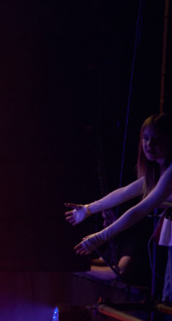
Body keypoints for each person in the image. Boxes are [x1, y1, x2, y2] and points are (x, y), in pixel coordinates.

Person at [70, 113, 169, 290]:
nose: (149, 144)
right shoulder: (156, 172)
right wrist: (88, 209)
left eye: (157, 139)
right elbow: (124, 192)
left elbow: (140, 210)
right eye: (146, 138)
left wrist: (100, 237)